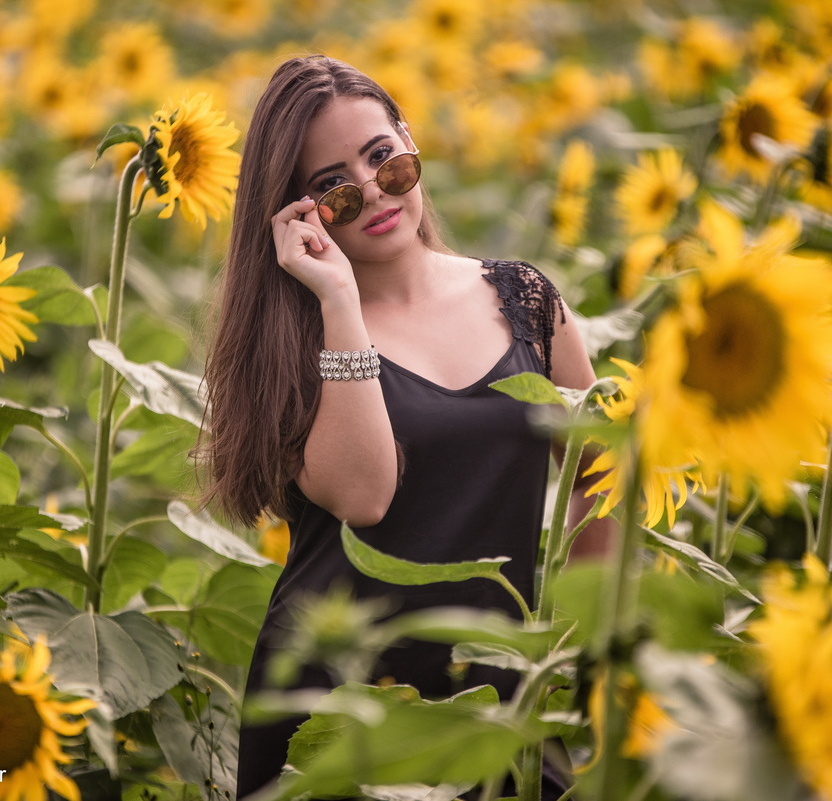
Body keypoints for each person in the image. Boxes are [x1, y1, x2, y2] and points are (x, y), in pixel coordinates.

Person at [198, 54, 611, 798]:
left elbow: (604, 469)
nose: (373, 193)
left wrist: (572, 647)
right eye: (333, 188)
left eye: (382, 158)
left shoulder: (524, 298)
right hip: (340, 711)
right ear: (296, 214)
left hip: (498, 705)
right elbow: (366, 493)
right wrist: (336, 297)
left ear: (409, 142)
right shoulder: (294, 342)